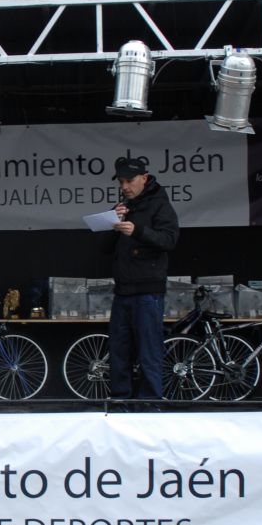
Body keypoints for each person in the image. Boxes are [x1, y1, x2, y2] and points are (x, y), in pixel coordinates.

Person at [104, 156, 180, 399]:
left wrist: (137, 231)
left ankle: (150, 404)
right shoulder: (123, 206)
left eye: (129, 181)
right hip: (122, 290)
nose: (125, 186)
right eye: (121, 182)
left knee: (149, 352)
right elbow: (103, 248)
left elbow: (169, 240)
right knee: (118, 350)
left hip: (148, 292)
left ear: (144, 178)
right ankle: (120, 401)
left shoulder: (160, 204)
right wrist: (111, 222)